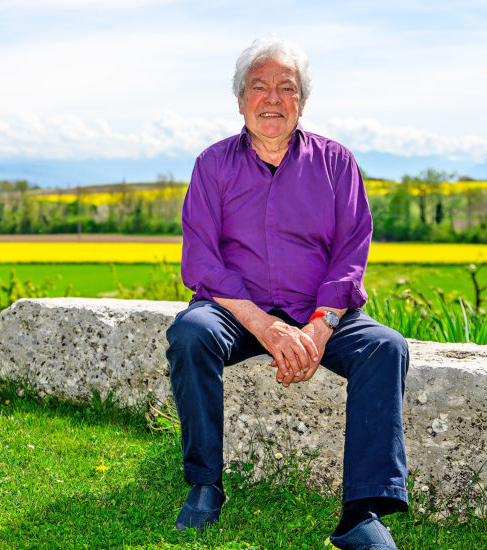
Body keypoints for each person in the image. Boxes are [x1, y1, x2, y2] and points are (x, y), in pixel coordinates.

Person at [164, 37, 408, 550]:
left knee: (386, 347)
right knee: (190, 334)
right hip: (236, 311)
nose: (272, 98)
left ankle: (361, 513)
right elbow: (202, 259)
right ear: (239, 100)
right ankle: (205, 485)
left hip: (317, 309)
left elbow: (351, 252)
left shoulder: (337, 162)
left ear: (301, 102)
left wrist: (319, 327)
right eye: (259, 87)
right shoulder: (212, 165)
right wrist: (265, 325)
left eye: (286, 88)